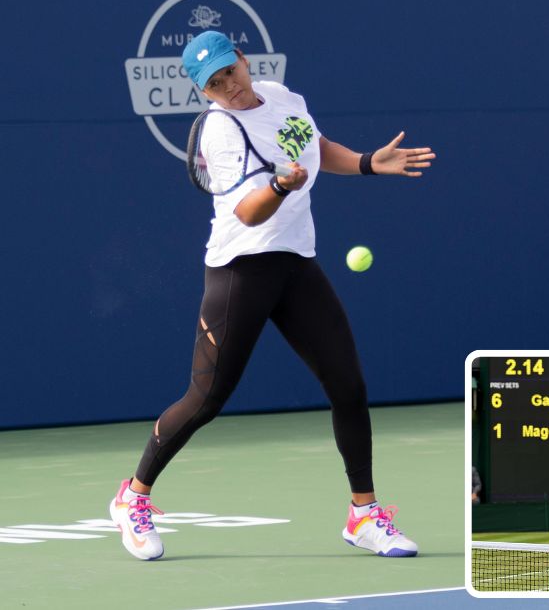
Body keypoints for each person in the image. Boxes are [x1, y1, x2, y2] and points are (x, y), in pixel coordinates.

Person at [107, 30, 436, 561]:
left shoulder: (281, 95)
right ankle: (133, 496)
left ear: (243, 60)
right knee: (207, 400)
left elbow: (316, 147)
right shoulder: (220, 131)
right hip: (241, 271)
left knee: (348, 386)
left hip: (296, 264)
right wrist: (281, 187)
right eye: (214, 84)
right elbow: (246, 212)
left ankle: (363, 514)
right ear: (204, 93)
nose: (229, 87)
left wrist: (369, 161)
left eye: (230, 72)